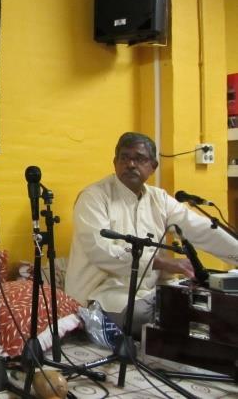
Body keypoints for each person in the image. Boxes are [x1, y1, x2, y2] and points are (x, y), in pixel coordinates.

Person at [65, 132, 238, 339]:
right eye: (124, 157)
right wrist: (161, 263)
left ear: (153, 166)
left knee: (206, 299)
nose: (130, 164)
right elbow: (100, 250)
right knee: (146, 313)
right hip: (101, 292)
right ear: (115, 162)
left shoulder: (159, 199)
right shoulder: (94, 197)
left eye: (139, 158)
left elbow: (200, 228)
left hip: (148, 291)